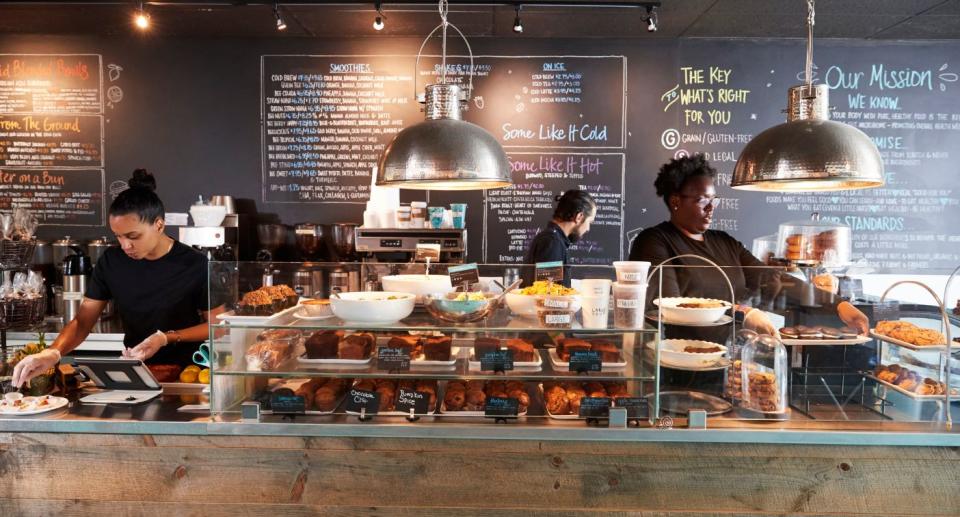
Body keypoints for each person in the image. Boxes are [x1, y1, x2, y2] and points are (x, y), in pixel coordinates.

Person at [12, 170, 226, 388]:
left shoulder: (195, 264)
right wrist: (52, 353)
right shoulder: (112, 262)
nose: (125, 246)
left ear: (159, 225)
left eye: (133, 236)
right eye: (119, 236)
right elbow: (82, 322)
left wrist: (165, 338)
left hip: (187, 376)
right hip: (135, 373)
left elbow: (217, 326)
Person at [629, 154, 869, 337]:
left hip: (728, 364)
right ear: (675, 201)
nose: (711, 208)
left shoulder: (725, 243)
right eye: (703, 200)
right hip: (676, 367)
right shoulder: (654, 242)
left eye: (714, 200)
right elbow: (671, 306)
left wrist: (838, 305)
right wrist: (743, 313)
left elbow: (773, 281)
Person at [522, 190, 596, 286]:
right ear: (579, 217)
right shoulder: (553, 242)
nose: (588, 229)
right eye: (590, 222)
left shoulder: (552, 239)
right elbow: (547, 291)